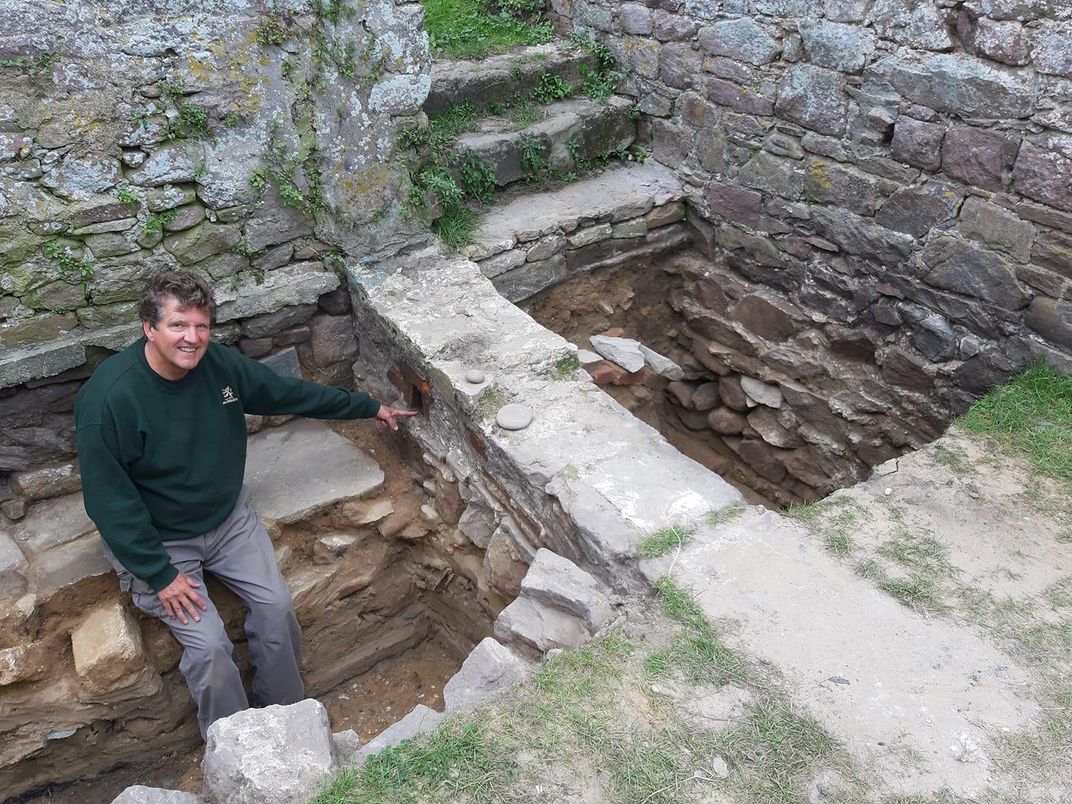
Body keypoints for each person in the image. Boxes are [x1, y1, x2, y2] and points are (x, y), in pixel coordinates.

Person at [74, 270, 416, 738]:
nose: (192, 339)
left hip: (227, 520)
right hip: (161, 540)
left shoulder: (219, 367)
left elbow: (288, 392)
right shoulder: (110, 399)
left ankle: (289, 722)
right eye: (178, 326)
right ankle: (237, 744)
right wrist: (157, 573)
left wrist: (366, 406)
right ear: (148, 328)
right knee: (211, 645)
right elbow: (107, 499)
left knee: (277, 607)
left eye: (201, 326)